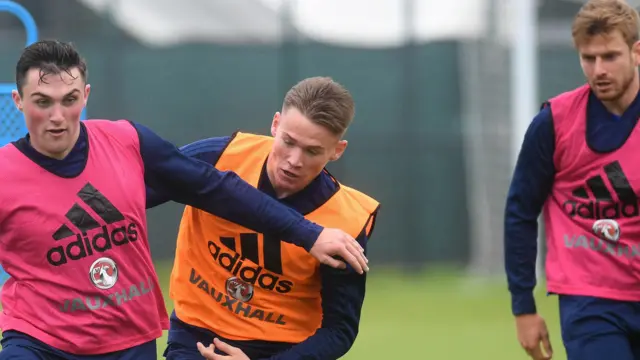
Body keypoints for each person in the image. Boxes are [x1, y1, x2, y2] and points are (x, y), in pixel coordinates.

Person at [0, 40, 369, 360]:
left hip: (152, 340)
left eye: (69, 100)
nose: (57, 117)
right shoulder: (220, 156)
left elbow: (219, 191)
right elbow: (123, 202)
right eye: (42, 102)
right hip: (65, 336)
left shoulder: (128, 141)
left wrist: (310, 234)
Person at [146, 76, 379, 360]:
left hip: (282, 351)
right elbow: (131, 196)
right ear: (276, 124)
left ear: (337, 151)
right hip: (196, 339)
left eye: (312, 151)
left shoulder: (346, 221)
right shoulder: (219, 157)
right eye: (289, 142)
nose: (294, 160)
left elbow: (339, 330)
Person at [504, 1, 640, 359]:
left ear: (637, 52)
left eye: (610, 56)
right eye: (588, 58)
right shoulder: (554, 123)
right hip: (590, 300)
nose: (599, 70)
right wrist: (523, 307)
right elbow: (520, 211)